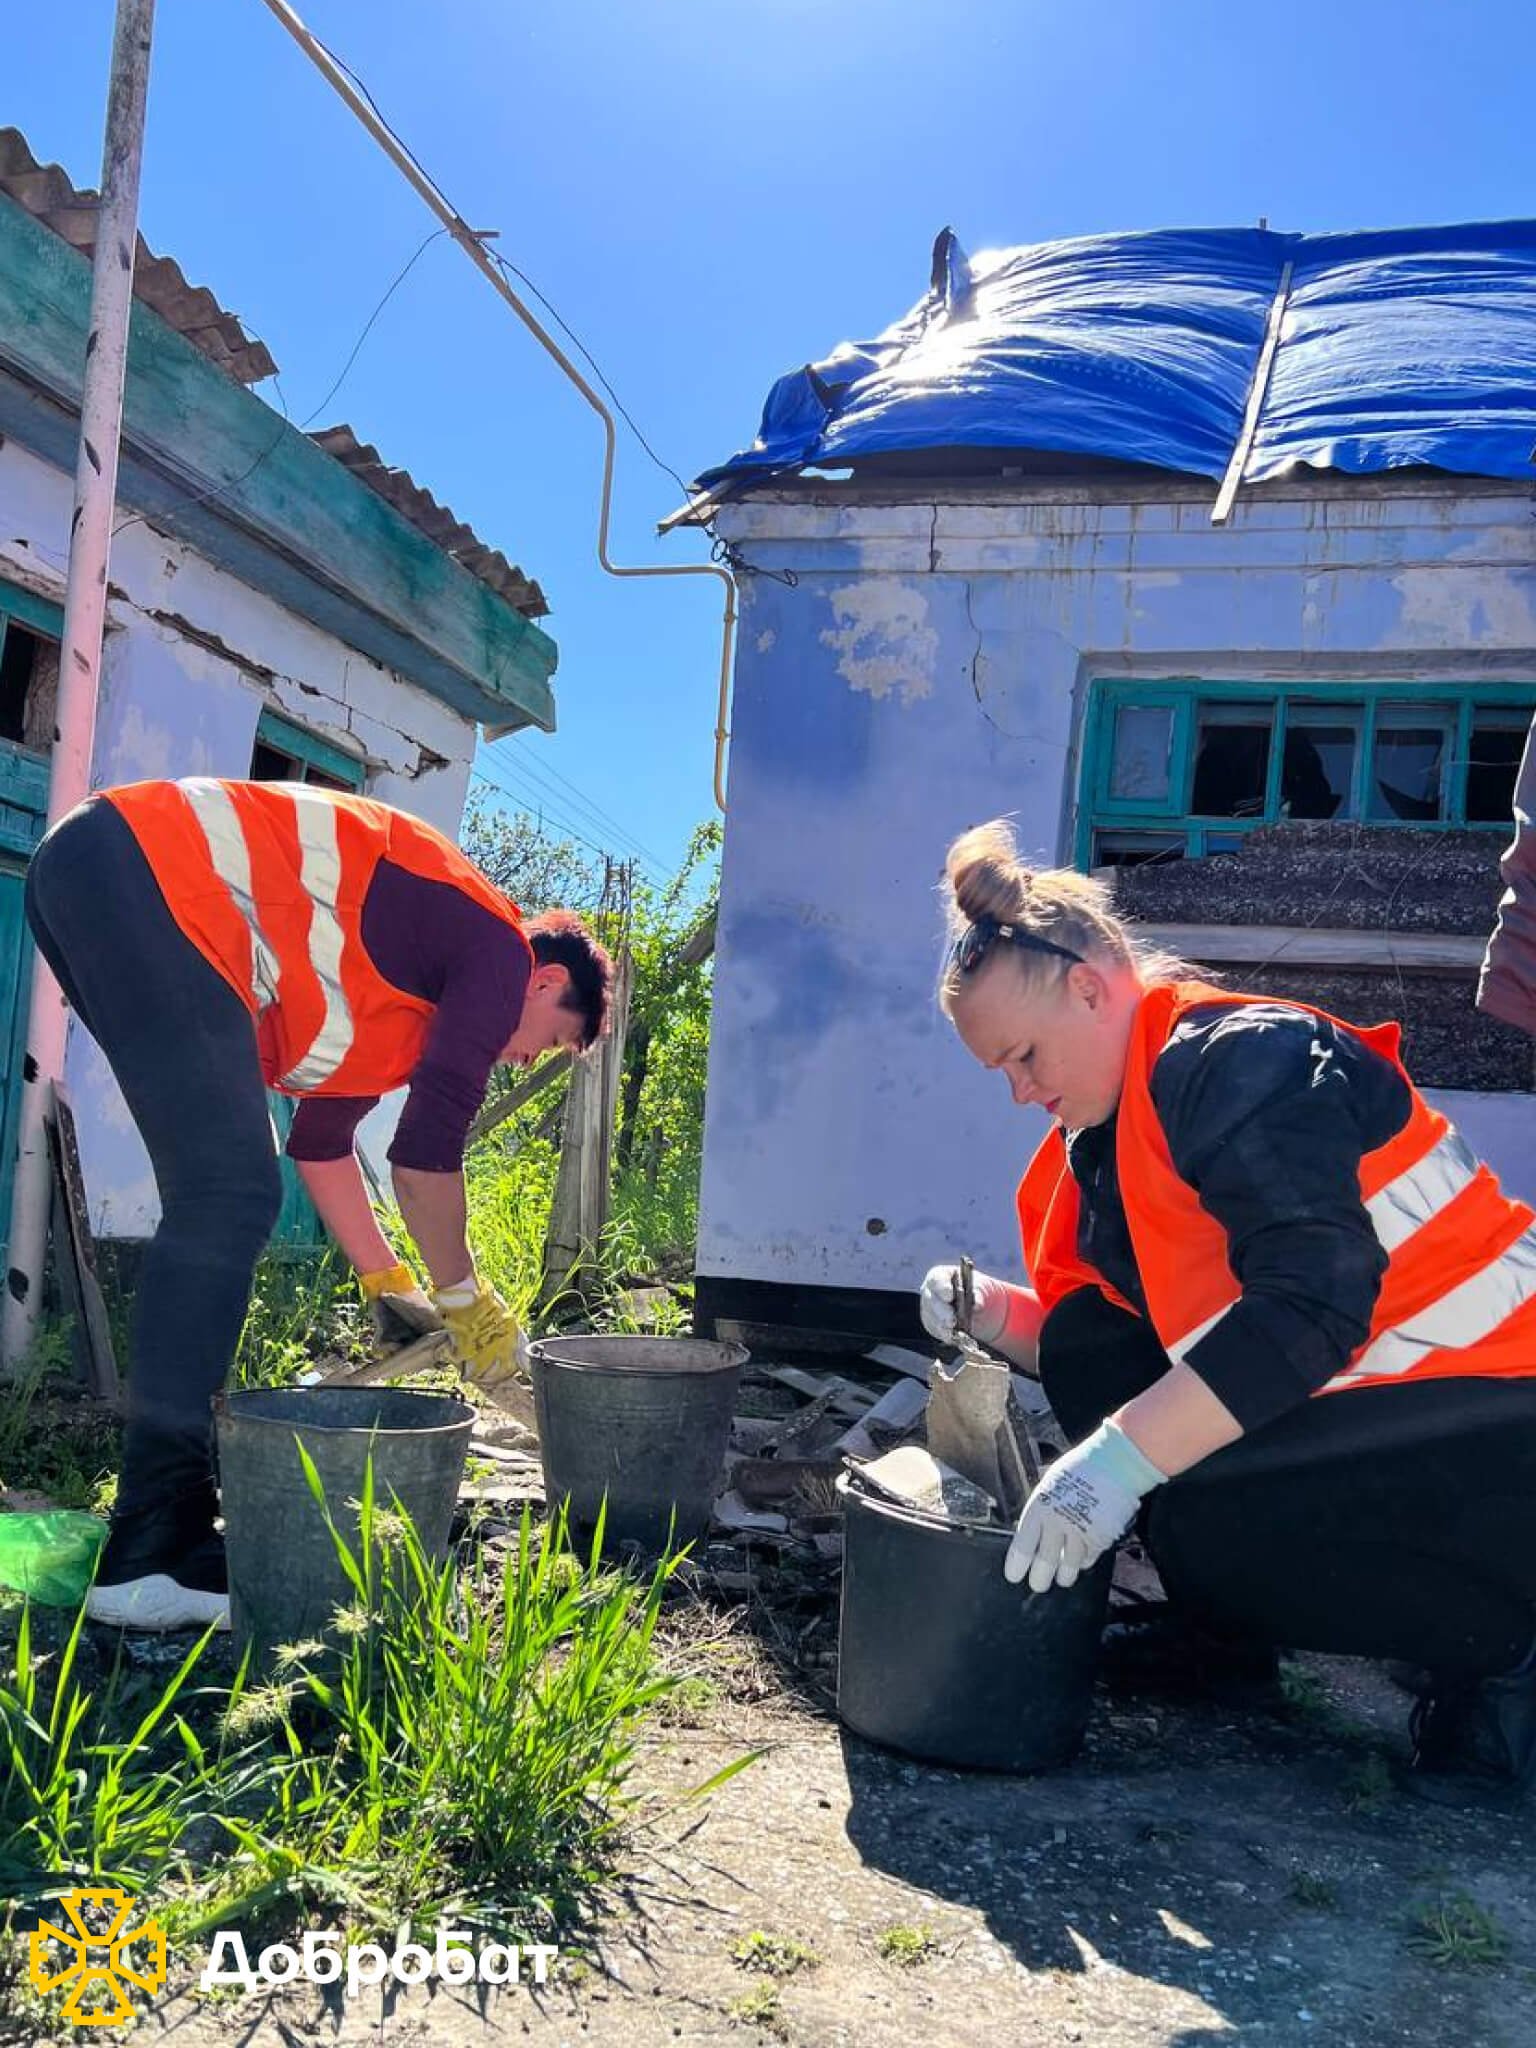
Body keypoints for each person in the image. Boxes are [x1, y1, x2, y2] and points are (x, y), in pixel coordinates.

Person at [919, 817, 1536, 1807]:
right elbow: (1130, 1337)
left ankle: (1509, 1652)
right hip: (1394, 1403)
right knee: (1090, 1342)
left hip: (1500, 1431)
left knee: (1216, 1536)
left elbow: (1311, 1306)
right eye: (1003, 1071)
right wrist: (989, 1311)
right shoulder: (1121, 1126)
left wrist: (1115, 1465)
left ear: (1088, 985)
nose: (1020, 1090)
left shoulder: (1248, 1063)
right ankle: (1227, 1634)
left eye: (1024, 1055)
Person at [23, 776, 613, 1633]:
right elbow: (421, 1163)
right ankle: (154, 1544)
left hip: (99, 875)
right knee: (225, 1194)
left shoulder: (400, 1020)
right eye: (553, 1038)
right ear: (543, 980)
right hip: (146, 867)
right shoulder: (496, 951)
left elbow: (322, 1149)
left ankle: (171, 1522)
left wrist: (386, 1283)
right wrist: (467, 1303)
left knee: (230, 1186)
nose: (530, 1061)